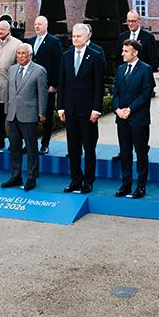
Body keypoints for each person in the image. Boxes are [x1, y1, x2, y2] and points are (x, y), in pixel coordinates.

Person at [58, 23, 105, 194]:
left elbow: (99, 86)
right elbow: (62, 83)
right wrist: (60, 107)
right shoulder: (66, 56)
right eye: (74, 36)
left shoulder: (96, 57)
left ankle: (88, 180)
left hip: (88, 112)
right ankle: (75, 179)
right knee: (73, 147)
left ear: (87, 37)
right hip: (70, 110)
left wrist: (96, 109)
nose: (75, 39)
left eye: (78, 36)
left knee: (89, 147)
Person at [1, 43, 48, 191]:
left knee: (31, 148)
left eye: (24, 54)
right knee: (14, 147)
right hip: (13, 114)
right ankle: (16, 176)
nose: (20, 56)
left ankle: (31, 177)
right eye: (18, 53)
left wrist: (42, 113)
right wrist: (6, 110)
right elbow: (8, 92)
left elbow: (42, 94)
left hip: (29, 115)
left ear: (30, 55)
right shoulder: (12, 69)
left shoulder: (39, 71)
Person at [112, 39, 155, 198]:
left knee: (141, 153)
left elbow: (146, 93)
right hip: (121, 119)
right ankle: (126, 184)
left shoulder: (146, 69)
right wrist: (117, 109)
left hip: (138, 119)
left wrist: (130, 109)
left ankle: (141, 186)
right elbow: (115, 92)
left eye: (126, 51)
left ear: (135, 52)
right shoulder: (120, 69)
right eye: (122, 50)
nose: (122, 53)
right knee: (125, 152)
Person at [27, 15, 62, 155]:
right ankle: (30, 143)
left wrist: (54, 85)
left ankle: (45, 144)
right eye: (35, 24)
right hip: (30, 85)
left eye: (40, 24)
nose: (37, 26)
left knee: (46, 116)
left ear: (46, 25)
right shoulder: (30, 41)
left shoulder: (54, 42)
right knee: (30, 116)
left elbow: (58, 64)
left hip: (47, 86)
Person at [0, 20, 21, 151]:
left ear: (9, 30)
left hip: (11, 88)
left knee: (13, 119)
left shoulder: (18, 44)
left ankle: (14, 142)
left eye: (3, 29)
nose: (0, 31)